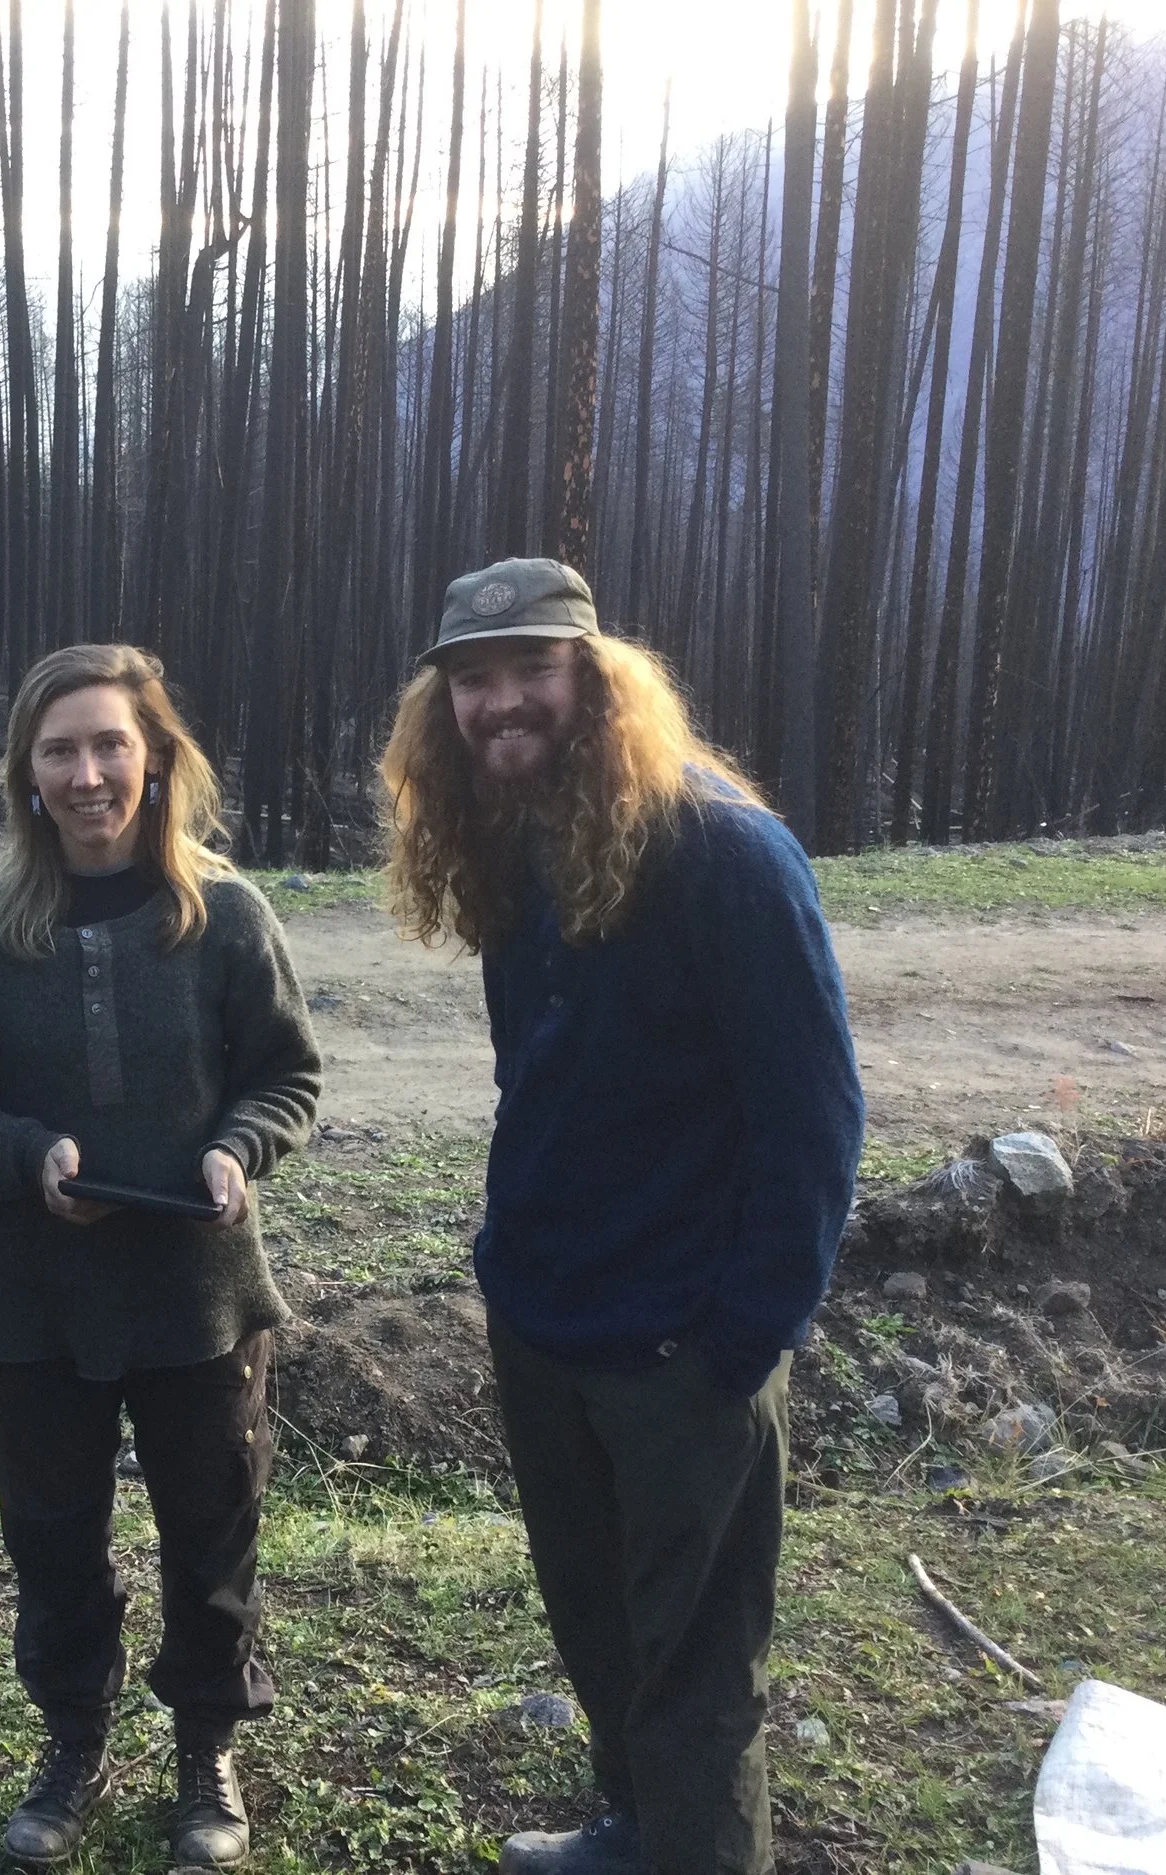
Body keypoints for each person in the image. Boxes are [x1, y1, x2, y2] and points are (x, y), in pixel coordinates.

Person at [379, 559, 865, 1875]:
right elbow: (534, 1078)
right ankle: (635, 1828)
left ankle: (700, 1851)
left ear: (595, 675)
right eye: (471, 680)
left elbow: (814, 1120)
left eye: (528, 667)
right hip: (547, 1326)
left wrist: (743, 1335)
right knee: (598, 1619)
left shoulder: (725, 851)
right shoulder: (514, 840)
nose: (498, 702)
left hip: (680, 1351)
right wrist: (512, 1266)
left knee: (698, 1652)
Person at [0, 643, 321, 1871]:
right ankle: (72, 1739)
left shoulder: (224, 912)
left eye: (110, 744)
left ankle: (205, 1749)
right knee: (52, 1536)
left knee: (211, 1531)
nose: (87, 773)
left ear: (155, 757)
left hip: (202, 1301)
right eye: (60, 749)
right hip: (35, 1306)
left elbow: (285, 1074)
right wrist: (27, 1159)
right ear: (27, 772)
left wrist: (242, 1147)